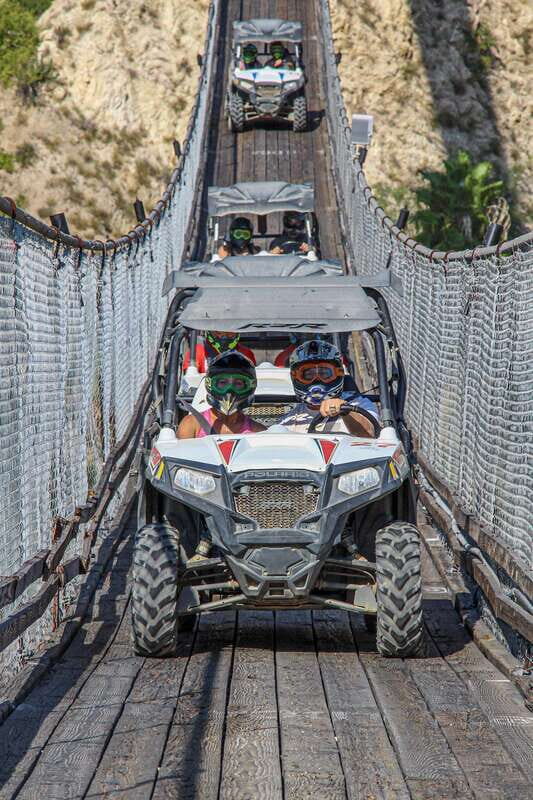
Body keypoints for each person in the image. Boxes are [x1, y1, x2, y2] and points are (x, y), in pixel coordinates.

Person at [278, 340, 378, 436]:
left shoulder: (359, 405)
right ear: (295, 377)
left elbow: (370, 434)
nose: (317, 380)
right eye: (308, 374)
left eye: (324, 373)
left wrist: (345, 410)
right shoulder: (290, 419)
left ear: (339, 374)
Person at [178, 352, 265, 439]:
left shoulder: (258, 431)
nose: (229, 390)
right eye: (223, 383)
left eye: (238, 383)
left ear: (249, 386)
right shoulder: (191, 424)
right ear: (210, 384)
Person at [183, 330, 256, 373]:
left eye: (229, 332)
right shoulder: (197, 351)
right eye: (218, 332)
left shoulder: (246, 353)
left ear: (236, 332)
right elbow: (190, 380)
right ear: (209, 331)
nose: (224, 336)